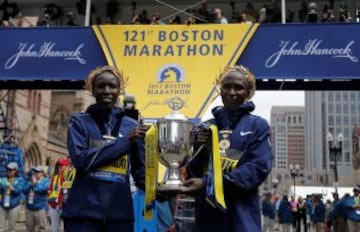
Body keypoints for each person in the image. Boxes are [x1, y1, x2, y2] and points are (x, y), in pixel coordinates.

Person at [181, 65, 273, 231]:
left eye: (238, 88)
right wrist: (197, 149)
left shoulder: (258, 126)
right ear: (220, 89)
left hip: (242, 220)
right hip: (208, 220)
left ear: (249, 92)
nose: (232, 92)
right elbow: (193, 173)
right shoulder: (206, 126)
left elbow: (257, 169)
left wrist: (207, 183)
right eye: (227, 86)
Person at [61, 65, 150, 232]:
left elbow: (140, 172)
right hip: (82, 214)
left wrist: (159, 190)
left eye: (112, 86)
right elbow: (82, 161)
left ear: (119, 89)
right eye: (101, 86)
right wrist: (125, 141)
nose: (107, 91)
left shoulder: (131, 125)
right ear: (91, 90)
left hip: (119, 216)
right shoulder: (79, 122)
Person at [23, 165, 50, 232]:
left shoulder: (46, 181)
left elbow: (43, 189)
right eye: (35, 171)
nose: (36, 173)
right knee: (29, 229)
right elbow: (24, 190)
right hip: (29, 209)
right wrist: (31, 183)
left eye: (38, 172)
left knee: (41, 229)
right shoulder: (30, 180)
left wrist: (35, 183)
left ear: (42, 173)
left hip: (40, 209)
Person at [0, 162, 25, 232]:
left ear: (15, 171)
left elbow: (17, 191)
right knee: (0, 227)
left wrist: (9, 185)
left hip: (14, 206)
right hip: (3, 205)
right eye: (7, 169)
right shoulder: (4, 179)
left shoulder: (20, 180)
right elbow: (1, 192)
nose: (8, 171)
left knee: (11, 228)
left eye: (10, 170)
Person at [47, 158, 69, 232]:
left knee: (67, 228)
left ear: (66, 166)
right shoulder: (55, 177)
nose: (59, 167)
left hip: (65, 206)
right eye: (59, 165)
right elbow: (49, 189)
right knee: (54, 229)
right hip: (54, 205)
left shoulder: (69, 177)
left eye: (62, 165)